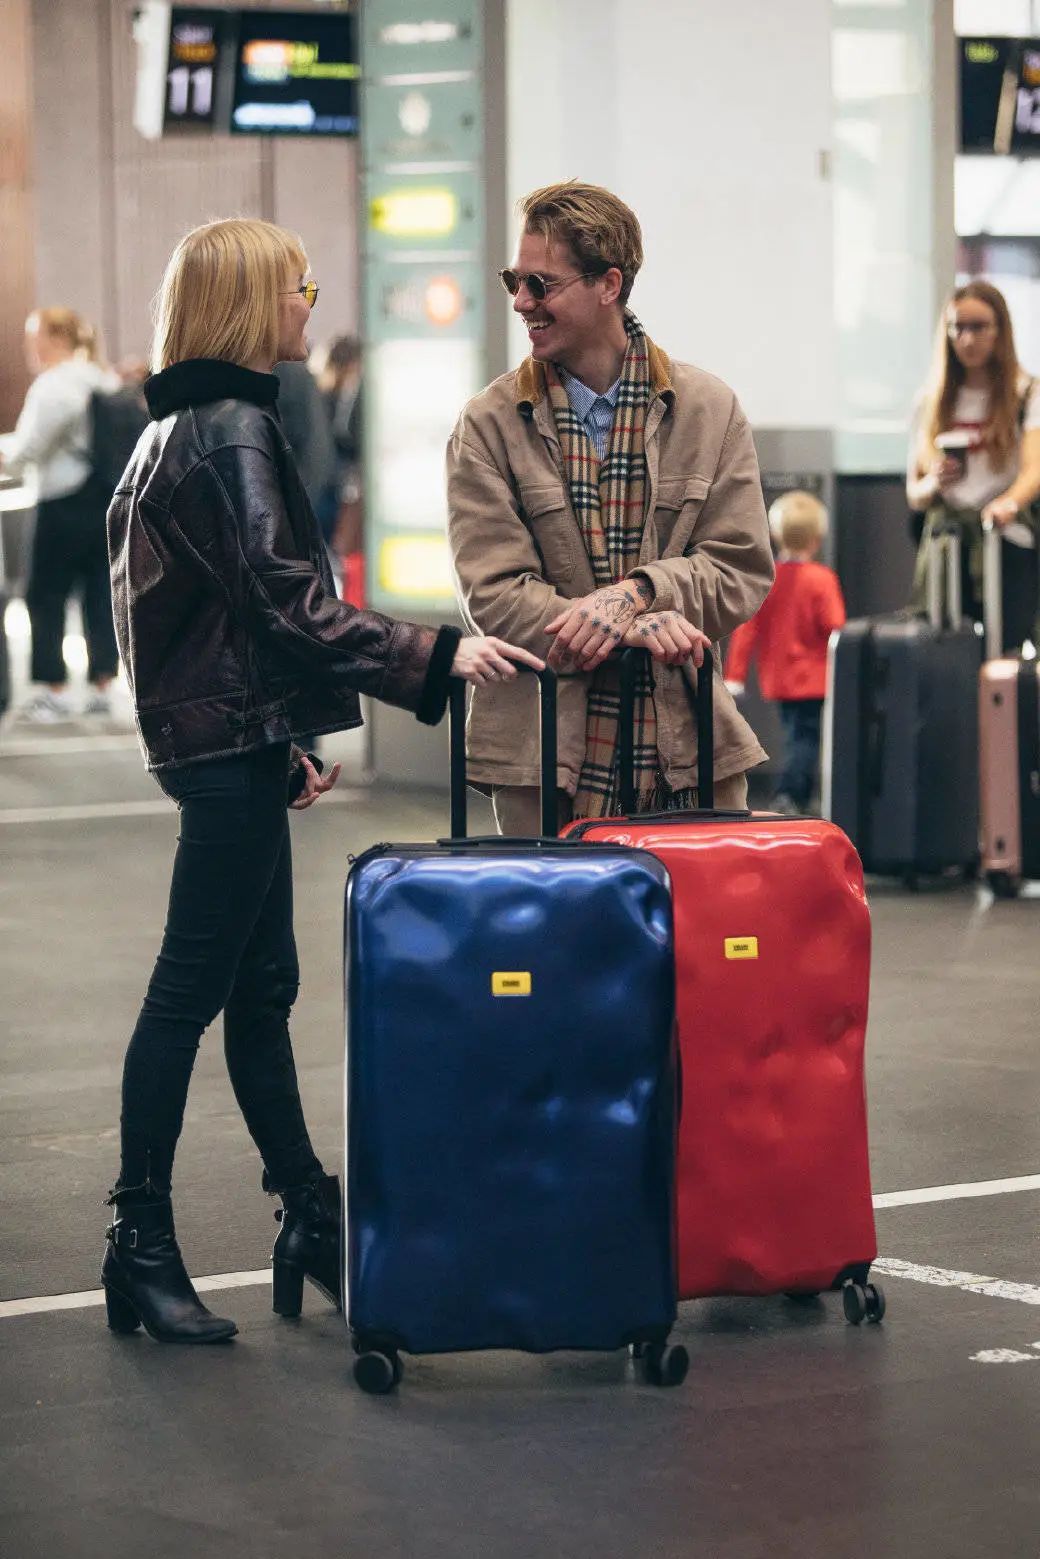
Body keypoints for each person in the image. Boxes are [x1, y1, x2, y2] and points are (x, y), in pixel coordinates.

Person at [101, 218, 540, 1345]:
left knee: (258, 990)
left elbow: (228, 616)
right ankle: (141, 1240)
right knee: (190, 995)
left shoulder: (177, 427)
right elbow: (286, 600)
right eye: (297, 285)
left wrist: (282, 732)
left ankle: (305, 1210)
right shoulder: (232, 428)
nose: (310, 302)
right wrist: (436, 655)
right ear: (254, 300)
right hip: (224, 756)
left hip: (226, 744)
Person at [446, 182, 774, 835]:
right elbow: (494, 594)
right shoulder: (487, 424)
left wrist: (639, 591)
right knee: (556, 908)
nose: (521, 302)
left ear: (609, 285)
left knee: (699, 908)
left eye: (540, 284)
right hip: (543, 759)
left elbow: (740, 568)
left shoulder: (709, 409)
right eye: (514, 281)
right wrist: (629, 625)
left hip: (691, 749)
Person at [907, 280, 1040, 651]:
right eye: (958, 328)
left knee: (1008, 644)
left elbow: (1034, 469)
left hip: (1006, 537)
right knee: (944, 648)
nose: (967, 339)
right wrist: (935, 481)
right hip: (946, 544)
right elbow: (915, 494)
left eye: (978, 327)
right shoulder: (930, 400)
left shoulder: (1026, 392)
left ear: (1000, 330)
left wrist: (1008, 504)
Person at [0, 307, 120, 721]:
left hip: (61, 500)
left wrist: (7, 452)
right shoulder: (100, 377)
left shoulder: (53, 385)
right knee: (98, 594)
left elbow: (28, 449)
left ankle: (54, 690)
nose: (28, 346)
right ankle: (102, 685)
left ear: (54, 338)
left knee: (45, 595)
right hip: (102, 497)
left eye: (33, 337)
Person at [724, 490, 845, 814]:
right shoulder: (822, 579)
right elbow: (835, 625)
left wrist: (735, 675)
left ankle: (796, 792)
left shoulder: (769, 580)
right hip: (816, 678)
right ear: (816, 539)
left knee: (795, 735)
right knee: (806, 737)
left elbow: (747, 629)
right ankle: (792, 794)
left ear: (776, 535)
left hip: (778, 678)